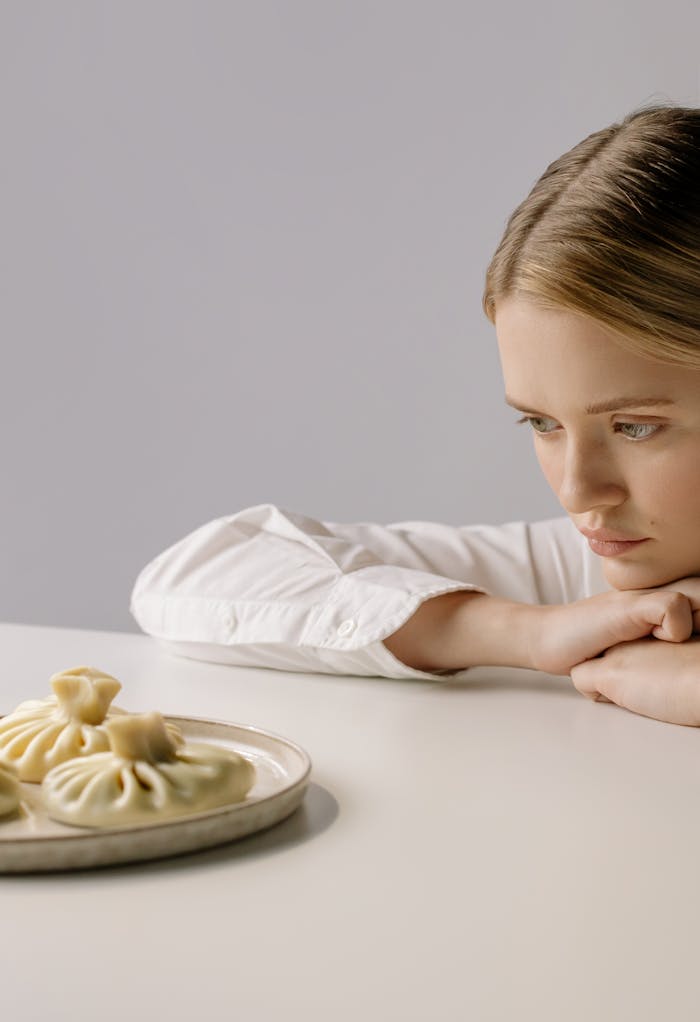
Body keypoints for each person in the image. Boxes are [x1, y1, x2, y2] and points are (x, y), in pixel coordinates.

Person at [131, 103, 700, 727]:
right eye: (543, 424)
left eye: (634, 427)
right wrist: (528, 633)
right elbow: (194, 579)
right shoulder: (589, 573)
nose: (578, 490)